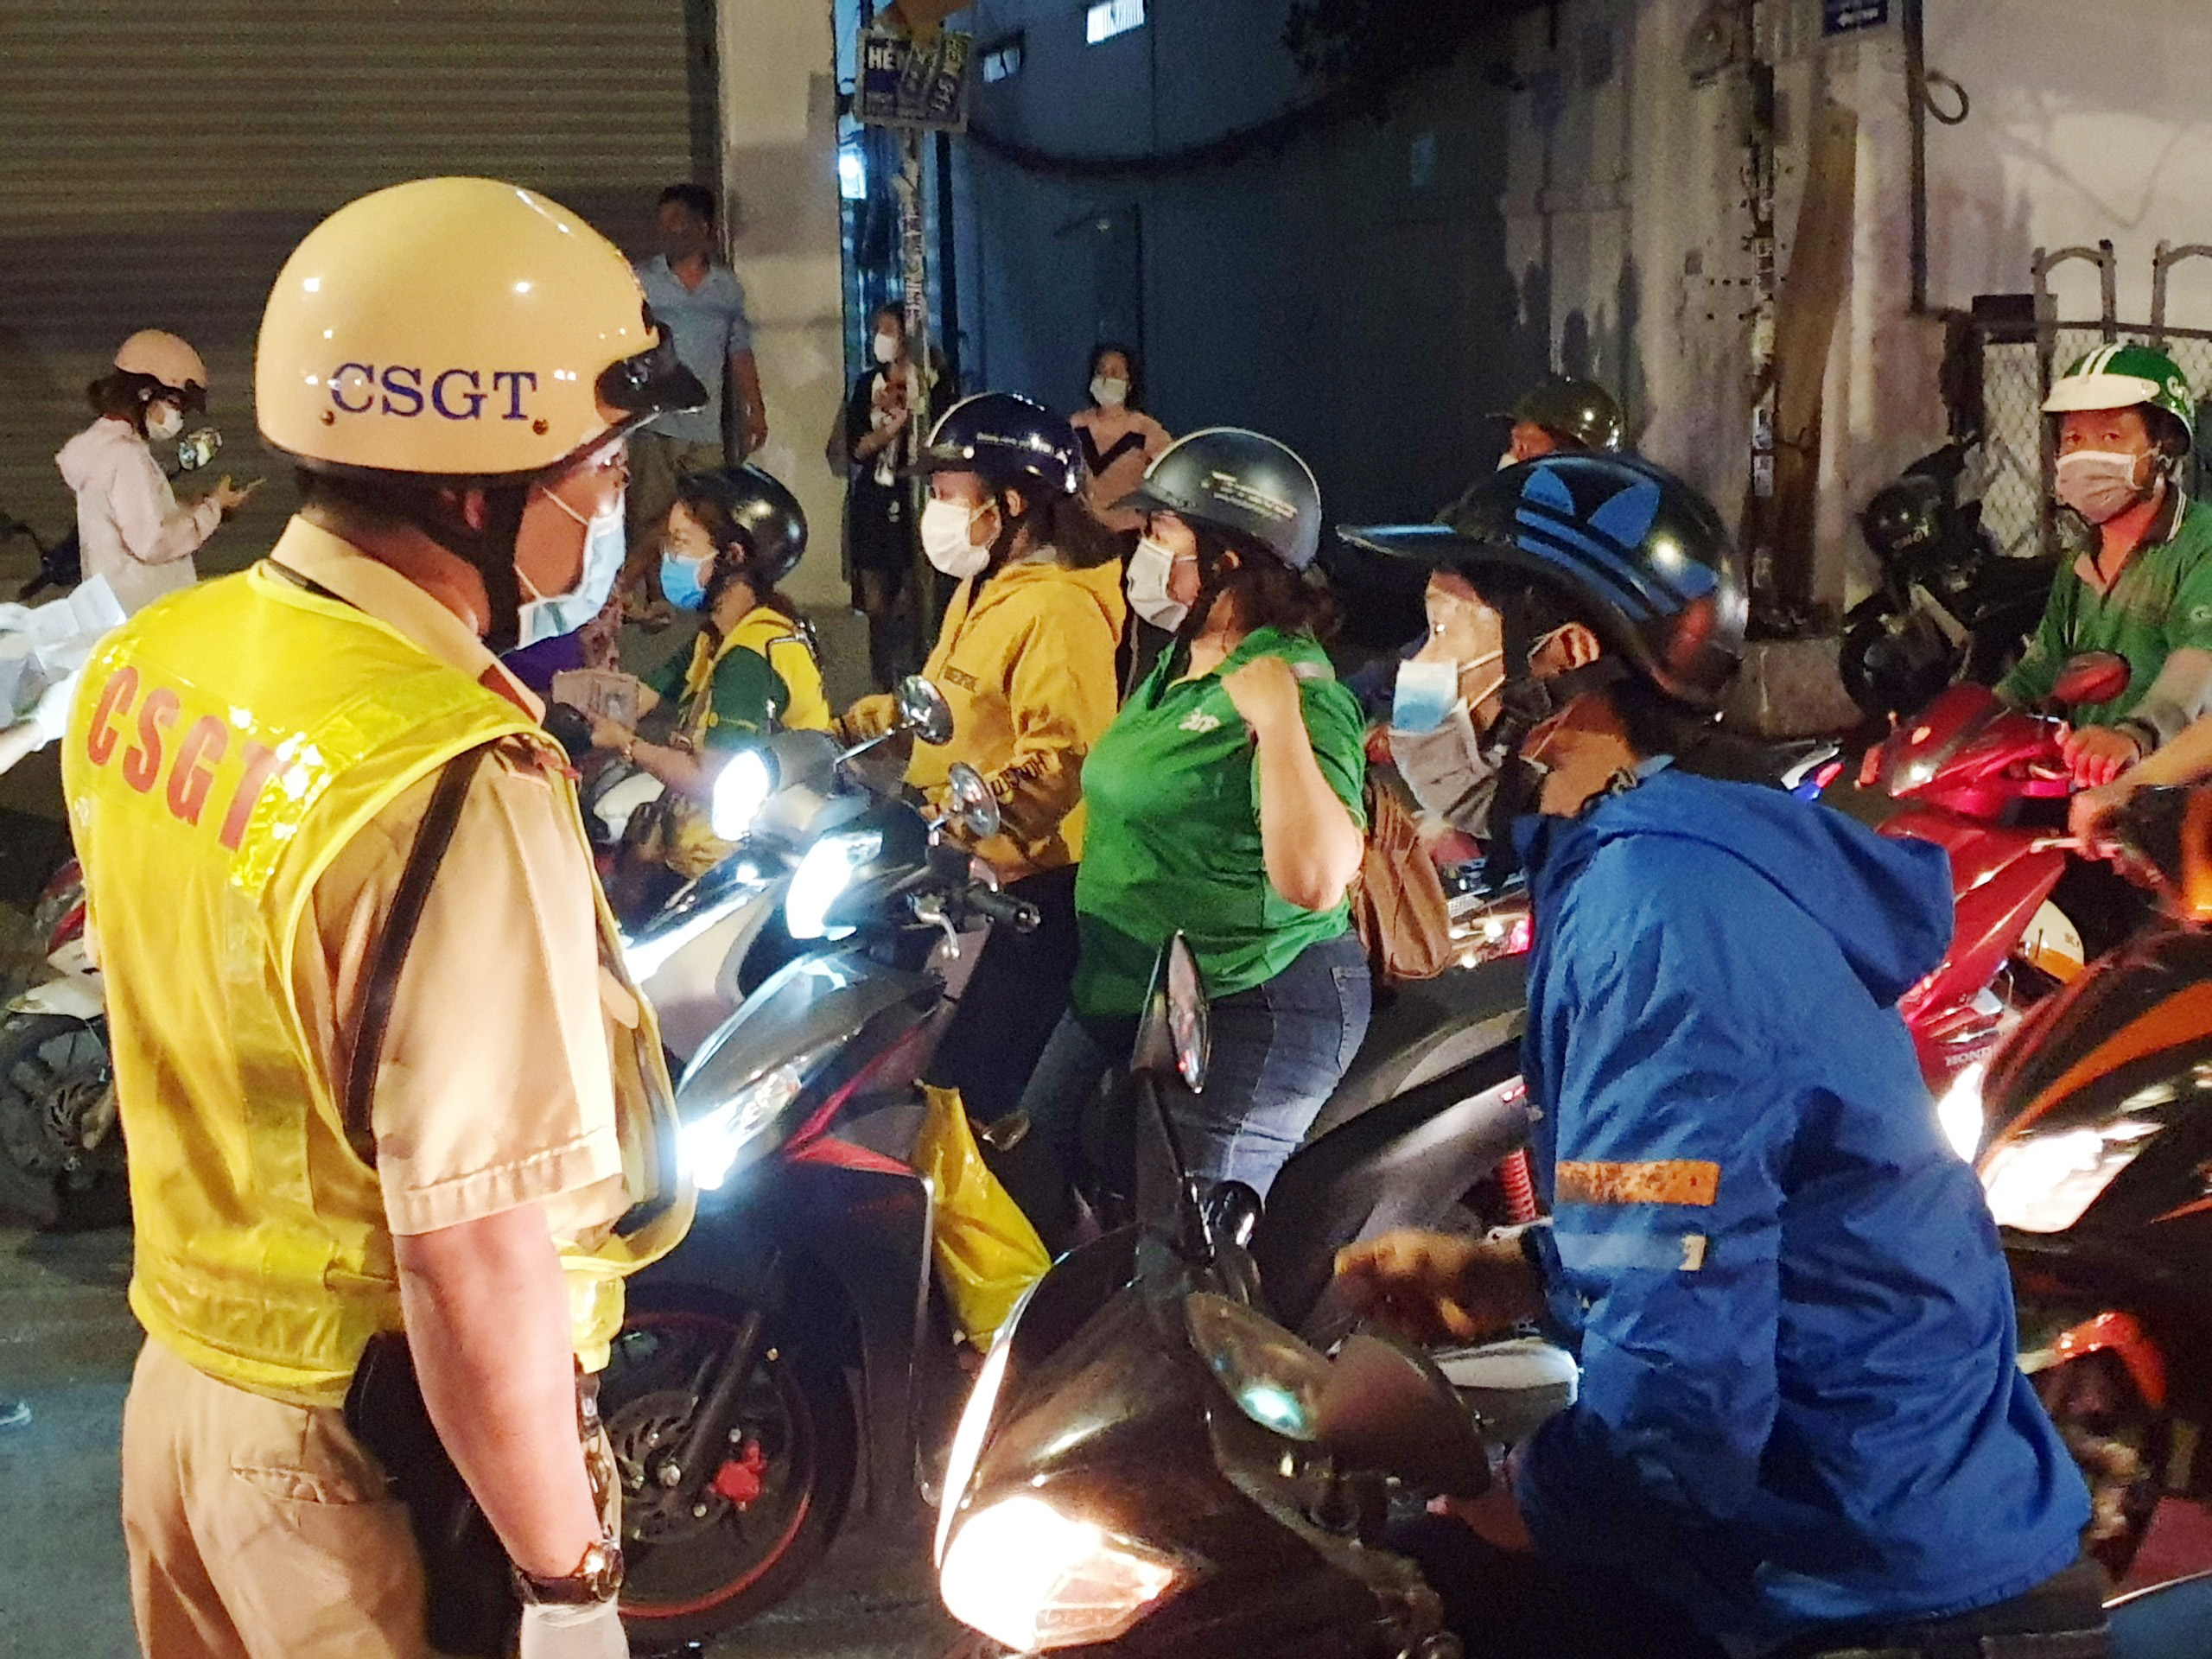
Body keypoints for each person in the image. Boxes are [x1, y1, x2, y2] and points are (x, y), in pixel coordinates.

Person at [63, 177, 700, 1659]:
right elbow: (473, 1257)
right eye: (601, 468)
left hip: (183, 1395)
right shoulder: (446, 781)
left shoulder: (163, 661)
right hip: (361, 1469)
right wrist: (568, 1584)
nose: (614, 508)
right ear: (477, 491)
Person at [1334, 453, 2098, 1659]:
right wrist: (1524, 1271)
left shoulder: (1660, 918)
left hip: (1871, 1590)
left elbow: (1682, 1417)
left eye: (1445, 630)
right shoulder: (1644, 864)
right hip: (1853, 1524)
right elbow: (1727, 1221)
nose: (1411, 680)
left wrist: (1524, 1504)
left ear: (1558, 661)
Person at [1017, 427, 1370, 1216]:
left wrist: (1279, 724)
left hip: (1249, 998)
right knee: (1024, 1183)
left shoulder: (1294, 686)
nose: (1141, 548)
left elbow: (1317, 879)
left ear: (1227, 559)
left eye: (1159, 531)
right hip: (1126, 984)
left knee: (1185, 1237)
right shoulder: (1183, 657)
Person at [843, 391, 1124, 1127]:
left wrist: (964, 816)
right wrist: (850, 731)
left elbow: (1061, 758)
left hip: (1022, 891)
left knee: (967, 1101)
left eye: (948, 493)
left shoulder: (1059, 610)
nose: (936, 509)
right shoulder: (985, 587)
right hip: (952, 874)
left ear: (1011, 502)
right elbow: (946, 705)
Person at [588, 464, 830, 905]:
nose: (668, 558)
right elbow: (640, 696)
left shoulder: (747, 659)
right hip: (721, 844)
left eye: (681, 544)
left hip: (728, 866)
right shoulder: (724, 635)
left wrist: (626, 744)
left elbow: (710, 780)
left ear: (732, 556)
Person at [1998, 345, 2212, 786]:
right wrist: (1945, 736)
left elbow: (2197, 666)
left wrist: (2134, 735)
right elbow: (2039, 673)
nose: (2085, 455)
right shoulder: (2079, 561)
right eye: (2073, 439)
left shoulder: (2201, 544)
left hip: (2178, 797)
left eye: (2111, 437)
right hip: (2087, 787)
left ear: (2165, 448)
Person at [626, 181, 769, 607]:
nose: (668, 230)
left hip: (705, 425)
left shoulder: (726, 288)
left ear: (703, 228)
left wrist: (755, 409)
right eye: (663, 222)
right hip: (654, 421)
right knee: (650, 513)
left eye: (677, 221)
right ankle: (654, 598)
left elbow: (738, 350)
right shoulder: (641, 281)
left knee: (707, 511)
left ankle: (694, 589)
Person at [55, 331, 258, 614]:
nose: (179, 418)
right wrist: (213, 510)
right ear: (145, 394)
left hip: (115, 611)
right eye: (175, 404)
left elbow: (132, 521)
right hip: (143, 614)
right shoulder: (126, 457)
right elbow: (151, 543)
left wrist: (191, 508)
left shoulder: (102, 449)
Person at [840, 306, 922, 691]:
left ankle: (912, 675)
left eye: (889, 330)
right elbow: (855, 447)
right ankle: (881, 682)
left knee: (908, 592)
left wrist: (908, 416)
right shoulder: (866, 385)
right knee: (875, 601)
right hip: (872, 494)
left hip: (910, 496)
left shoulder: (927, 383)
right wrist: (886, 431)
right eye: (878, 330)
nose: (881, 338)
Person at [1070, 343, 1171, 537]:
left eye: (1115, 373)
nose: (1106, 378)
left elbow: (1170, 471)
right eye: (1101, 372)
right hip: (1083, 532)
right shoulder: (1077, 424)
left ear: (1129, 384)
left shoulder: (1145, 429)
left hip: (1128, 533)